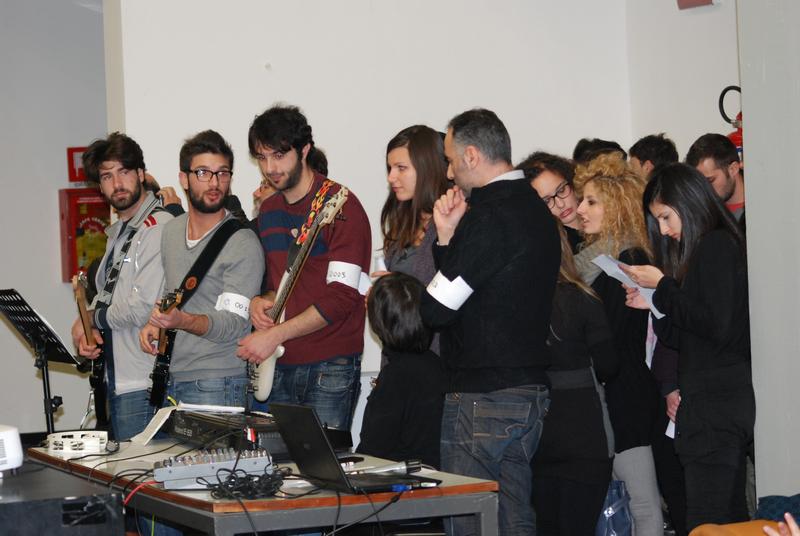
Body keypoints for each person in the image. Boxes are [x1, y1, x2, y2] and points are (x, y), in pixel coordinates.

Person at [419, 108, 560, 535]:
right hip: (527, 389)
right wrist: (448, 239)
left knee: (471, 519)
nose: (448, 172)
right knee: (514, 516)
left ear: (472, 156)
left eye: (450, 160)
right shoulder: (535, 209)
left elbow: (437, 309)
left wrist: (447, 238)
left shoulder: (490, 214)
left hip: (484, 395)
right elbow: (473, 283)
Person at [622, 162, 754, 531]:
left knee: (707, 522)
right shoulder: (702, 251)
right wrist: (655, 303)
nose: (665, 230)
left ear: (689, 202)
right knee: (724, 521)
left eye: (666, 217)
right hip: (708, 405)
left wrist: (663, 286)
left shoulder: (715, 245)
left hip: (717, 405)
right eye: (658, 221)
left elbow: (715, 325)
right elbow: (686, 335)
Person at [238, 104, 371, 431]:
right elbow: (277, 284)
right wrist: (260, 303)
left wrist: (275, 334)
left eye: (279, 155)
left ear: (305, 150)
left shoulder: (341, 206)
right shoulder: (269, 211)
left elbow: (342, 297)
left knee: (323, 460)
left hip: (331, 364)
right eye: (262, 157)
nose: (270, 168)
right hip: (281, 363)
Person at [572, 152, 663, 536]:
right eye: (582, 200)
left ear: (617, 206)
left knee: (642, 503)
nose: (580, 210)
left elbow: (616, 334)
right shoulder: (593, 261)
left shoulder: (629, 259)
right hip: (607, 393)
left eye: (591, 201)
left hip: (625, 394)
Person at [139, 130, 263, 408]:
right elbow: (175, 293)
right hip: (173, 375)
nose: (215, 182)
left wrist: (181, 321)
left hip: (219, 379)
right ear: (184, 179)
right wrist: (156, 323)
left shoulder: (242, 242)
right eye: (203, 173)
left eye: (222, 173)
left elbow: (234, 325)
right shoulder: (171, 231)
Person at [71, 133, 172, 442]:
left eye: (124, 171)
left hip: (144, 381)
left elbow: (141, 307)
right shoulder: (120, 232)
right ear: (100, 187)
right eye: (107, 176)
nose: (117, 183)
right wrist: (84, 325)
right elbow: (108, 296)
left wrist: (91, 318)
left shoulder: (157, 226)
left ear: (141, 174)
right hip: (119, 378)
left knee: (139, 469)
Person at [531, 224, 618, 536]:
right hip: (584, 433)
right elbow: (609, 366)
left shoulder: (517, 304)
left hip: (535, 434)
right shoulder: (583, 299)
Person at [357, 272, 444, 468]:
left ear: (379, 322)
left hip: (402, 479)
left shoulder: (396, 375)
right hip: (434, 475)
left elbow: (373, 448)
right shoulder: (437, 365)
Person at [517, 151, 582, 252]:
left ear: (572, 181)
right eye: (547, 201)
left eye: (561, 190)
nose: (560, 204)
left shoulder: (605, 213)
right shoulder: (550, 249)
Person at [685, 133, 745, 223]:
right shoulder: (700, 214)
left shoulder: (763, 204)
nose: (705, 189)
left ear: (733, 169)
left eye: (710, 180)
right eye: (699, 183)